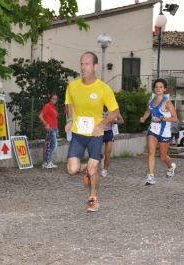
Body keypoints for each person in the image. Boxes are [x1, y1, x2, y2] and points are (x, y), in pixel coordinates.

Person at [65, 51, 119, 212]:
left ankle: (93, 198)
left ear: (95, 66)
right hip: (78, 134)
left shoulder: (103, 88)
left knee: (93, 169)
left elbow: (114, 111)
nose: (83, 67)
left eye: (87, 64)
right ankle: (85, 171)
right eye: (82, 63)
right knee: (72, 169)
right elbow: (69, 104)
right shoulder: (72, 86)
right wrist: (70, 120)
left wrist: (102, 124)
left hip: (95, 135)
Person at [139, 78, 178, 185]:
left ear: (165, 89)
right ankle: (151, 176)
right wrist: (143, 118)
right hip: (153, 130)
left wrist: (162, 119)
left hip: (165, 132)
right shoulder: (151, 101)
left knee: (162, 156)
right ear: (154, 89)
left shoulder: (167, 102)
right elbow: (148, 111)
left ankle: (171, 167)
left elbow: (175, 118)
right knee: (151, 153)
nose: (158, 89)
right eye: (156, 87)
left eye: (161, 87)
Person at [101, 106, 124, 177]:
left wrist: (114, 121)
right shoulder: (97, 107)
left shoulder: (113, 110)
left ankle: (105, 169)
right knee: (96, 152)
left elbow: (121, 120)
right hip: (99, 132)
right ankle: (100, 159)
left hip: (109, 132)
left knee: (107, 153)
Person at [39, 94, 59, 169]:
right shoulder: (47, 106)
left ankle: (46, 162)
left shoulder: (53, 107)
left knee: (51, 145)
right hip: (50, 129)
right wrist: (46, 124)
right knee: (53, 145)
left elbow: (53, 118)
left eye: (56, 99)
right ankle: (47, 162)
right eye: (53, 99)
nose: (54, 100)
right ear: (50, 99)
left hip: (54, 128)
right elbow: (40, 115)